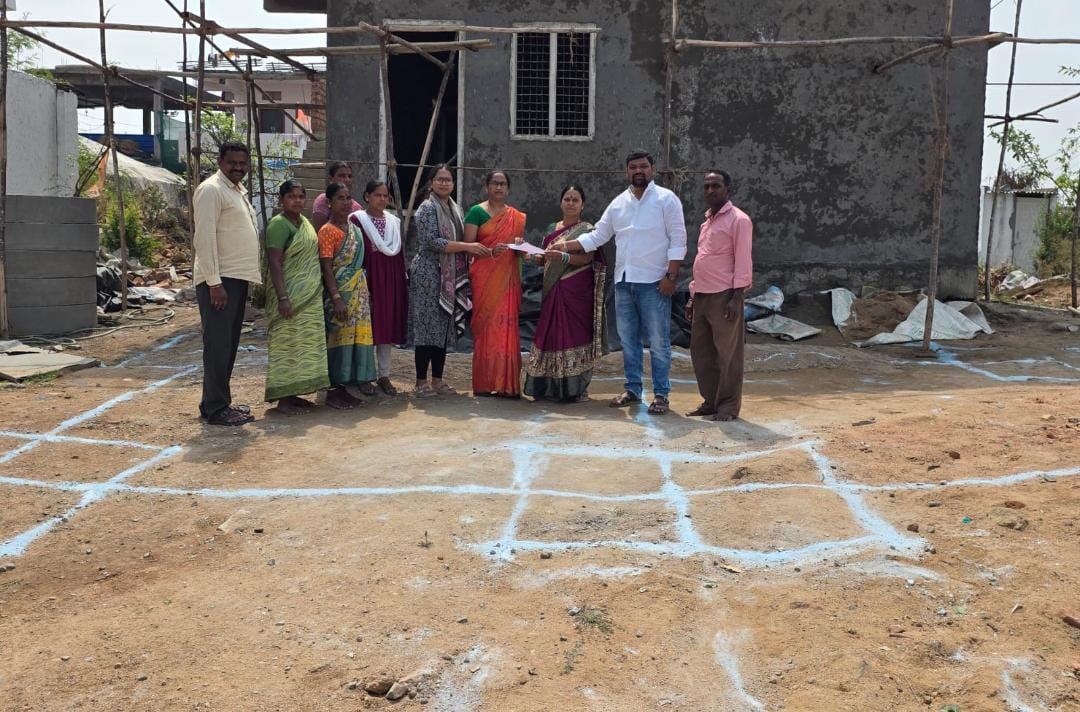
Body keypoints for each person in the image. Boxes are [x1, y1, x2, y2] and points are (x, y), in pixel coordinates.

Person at [549, 150, 687, 415]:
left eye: (643, 166)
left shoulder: (666, 199)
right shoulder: (618, 203)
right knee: (628, 341)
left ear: (652, 170)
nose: (638, 171)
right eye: (633, 167)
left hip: (655, 283)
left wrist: (671, 276)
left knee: (658, 342)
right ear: (627, 171)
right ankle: (633, 390)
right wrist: (565, 245)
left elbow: (679, 240)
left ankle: (661, 395)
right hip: (624, 283)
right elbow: (598, 236)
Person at [192, 140, 261, 426]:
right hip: (220, 281)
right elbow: (204, 237)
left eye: (243, 163)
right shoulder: (211, 190)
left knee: (228, 344)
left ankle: (216, 403)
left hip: (235, 278)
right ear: (220, 161)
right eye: (232, 162)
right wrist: (214, 283)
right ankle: (217, 407)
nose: (238, 168)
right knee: (218, 346)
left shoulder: (236, 190)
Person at [408, 164, 490, 397]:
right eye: (440, 179)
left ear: (453, 184)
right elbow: (431, 242)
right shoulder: (427, 208)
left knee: (442, 327)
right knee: (426, 327)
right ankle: (420, 382)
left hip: (449, 274)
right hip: (428, 273)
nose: (444, 183)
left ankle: (438, 380)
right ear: (431, 182)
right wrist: (466, 247)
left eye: (448, 180)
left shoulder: (455, 208)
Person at [523, 185, 605, 402]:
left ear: (582, 205)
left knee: (574, 335)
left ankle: (575, 389)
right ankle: (548, 387)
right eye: (567, 199)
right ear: (561, 202)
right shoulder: (552, 228)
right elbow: (544, 258)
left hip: (576, 291)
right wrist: (528, 253)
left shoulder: (588, 230)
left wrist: (565, 257)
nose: (570, 203)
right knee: (550, 334)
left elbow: (587, 258)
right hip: (552, 290)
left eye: (575, 200)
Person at [685, 171, 752, 421]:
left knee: (728, 355)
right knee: (702, 353)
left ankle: (728, 406)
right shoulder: (707, 223)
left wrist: (737, 297)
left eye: (716, 185)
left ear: (728, 189)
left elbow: (743, 260)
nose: (710, 190)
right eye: (706, 186)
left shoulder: (739, 220)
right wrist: (692, 296)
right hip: (702, 295)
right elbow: (703, 259)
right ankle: (711, 402)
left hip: (725, 296)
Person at [263, 180, 331, 414]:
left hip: (308, 298)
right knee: (286, 345)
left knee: (303, 345)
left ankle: (294, 395)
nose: (297, 201)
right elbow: (274, 262)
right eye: (292, 197)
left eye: (301, 196)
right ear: (281, 199)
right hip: (289, 298)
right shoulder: (278, 225)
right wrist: (283, 297)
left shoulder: (304, 224)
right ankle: (284, 399)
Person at [465, 171, 527, 398]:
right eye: (495, 183)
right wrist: (491, 252)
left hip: (508, 279)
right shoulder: (476, 212)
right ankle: (484, 383)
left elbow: (519, 253)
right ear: (487, 186)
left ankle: (506, 385)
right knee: (487, 328)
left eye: (503, 184)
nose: (499, 188)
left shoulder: (516, 217)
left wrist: (520, 247)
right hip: (485, 278)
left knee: (506, 329)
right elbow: (468, 247)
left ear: (508, 189)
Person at [318, 182, 375, 409]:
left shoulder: (355, 230)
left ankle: (355, 381)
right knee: (338, 336)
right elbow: (326, 267)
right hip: (340, 292)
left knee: (358, 335)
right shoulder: (327, 231)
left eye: (348, 198)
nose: (345, 202)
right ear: (329, 203)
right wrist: (336, 298)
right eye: (340, 198)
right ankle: (335, 388)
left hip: (359, 291)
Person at [349, 181, 407, 395]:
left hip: (390, 279)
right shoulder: (357, 220)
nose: (382, 199)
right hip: (367, 279)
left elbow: (398, 255)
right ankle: (363, 375)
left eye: (385, 195)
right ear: (367, 196)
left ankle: (384, 375)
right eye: (377, 195)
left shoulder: (393, 222)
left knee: (386, 327)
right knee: (366, 327)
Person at [312, 161, 362, 231]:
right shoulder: (323, 200)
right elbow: (319, 231)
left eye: (349, 176)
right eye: (342, 176)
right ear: (331, 179)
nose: (347, 179)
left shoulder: (357, 208)